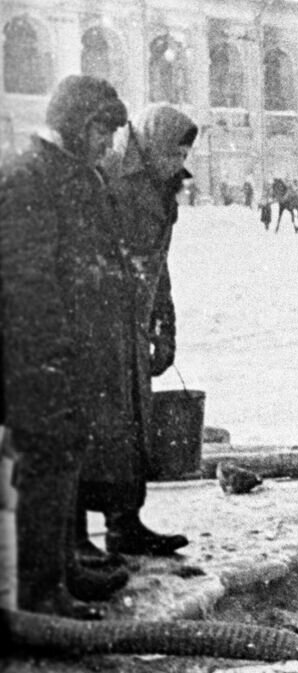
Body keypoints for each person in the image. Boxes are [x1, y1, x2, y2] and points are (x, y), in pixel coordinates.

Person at [1, 75, 132, 619]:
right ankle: (40, 589)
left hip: (67, 348)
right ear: (81, 124)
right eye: (105, 131)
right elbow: (26, 281)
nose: (109, 144)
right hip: (37, 352)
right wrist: (48, 353)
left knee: (66, 452)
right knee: (45, 459)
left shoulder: (70, 175)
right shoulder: (30, 178)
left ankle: (61, 567)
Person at [77, 103, 198, 565]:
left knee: (134, 425)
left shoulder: (160, 183)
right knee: (99, 425)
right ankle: (80, 536)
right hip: (100, 320)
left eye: (185, 153)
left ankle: (126, 523)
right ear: (151, 145)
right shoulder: (108, 177)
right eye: (176, 151)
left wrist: (164, 322)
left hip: (135, 320)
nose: (180, 161)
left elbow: (159, 260)